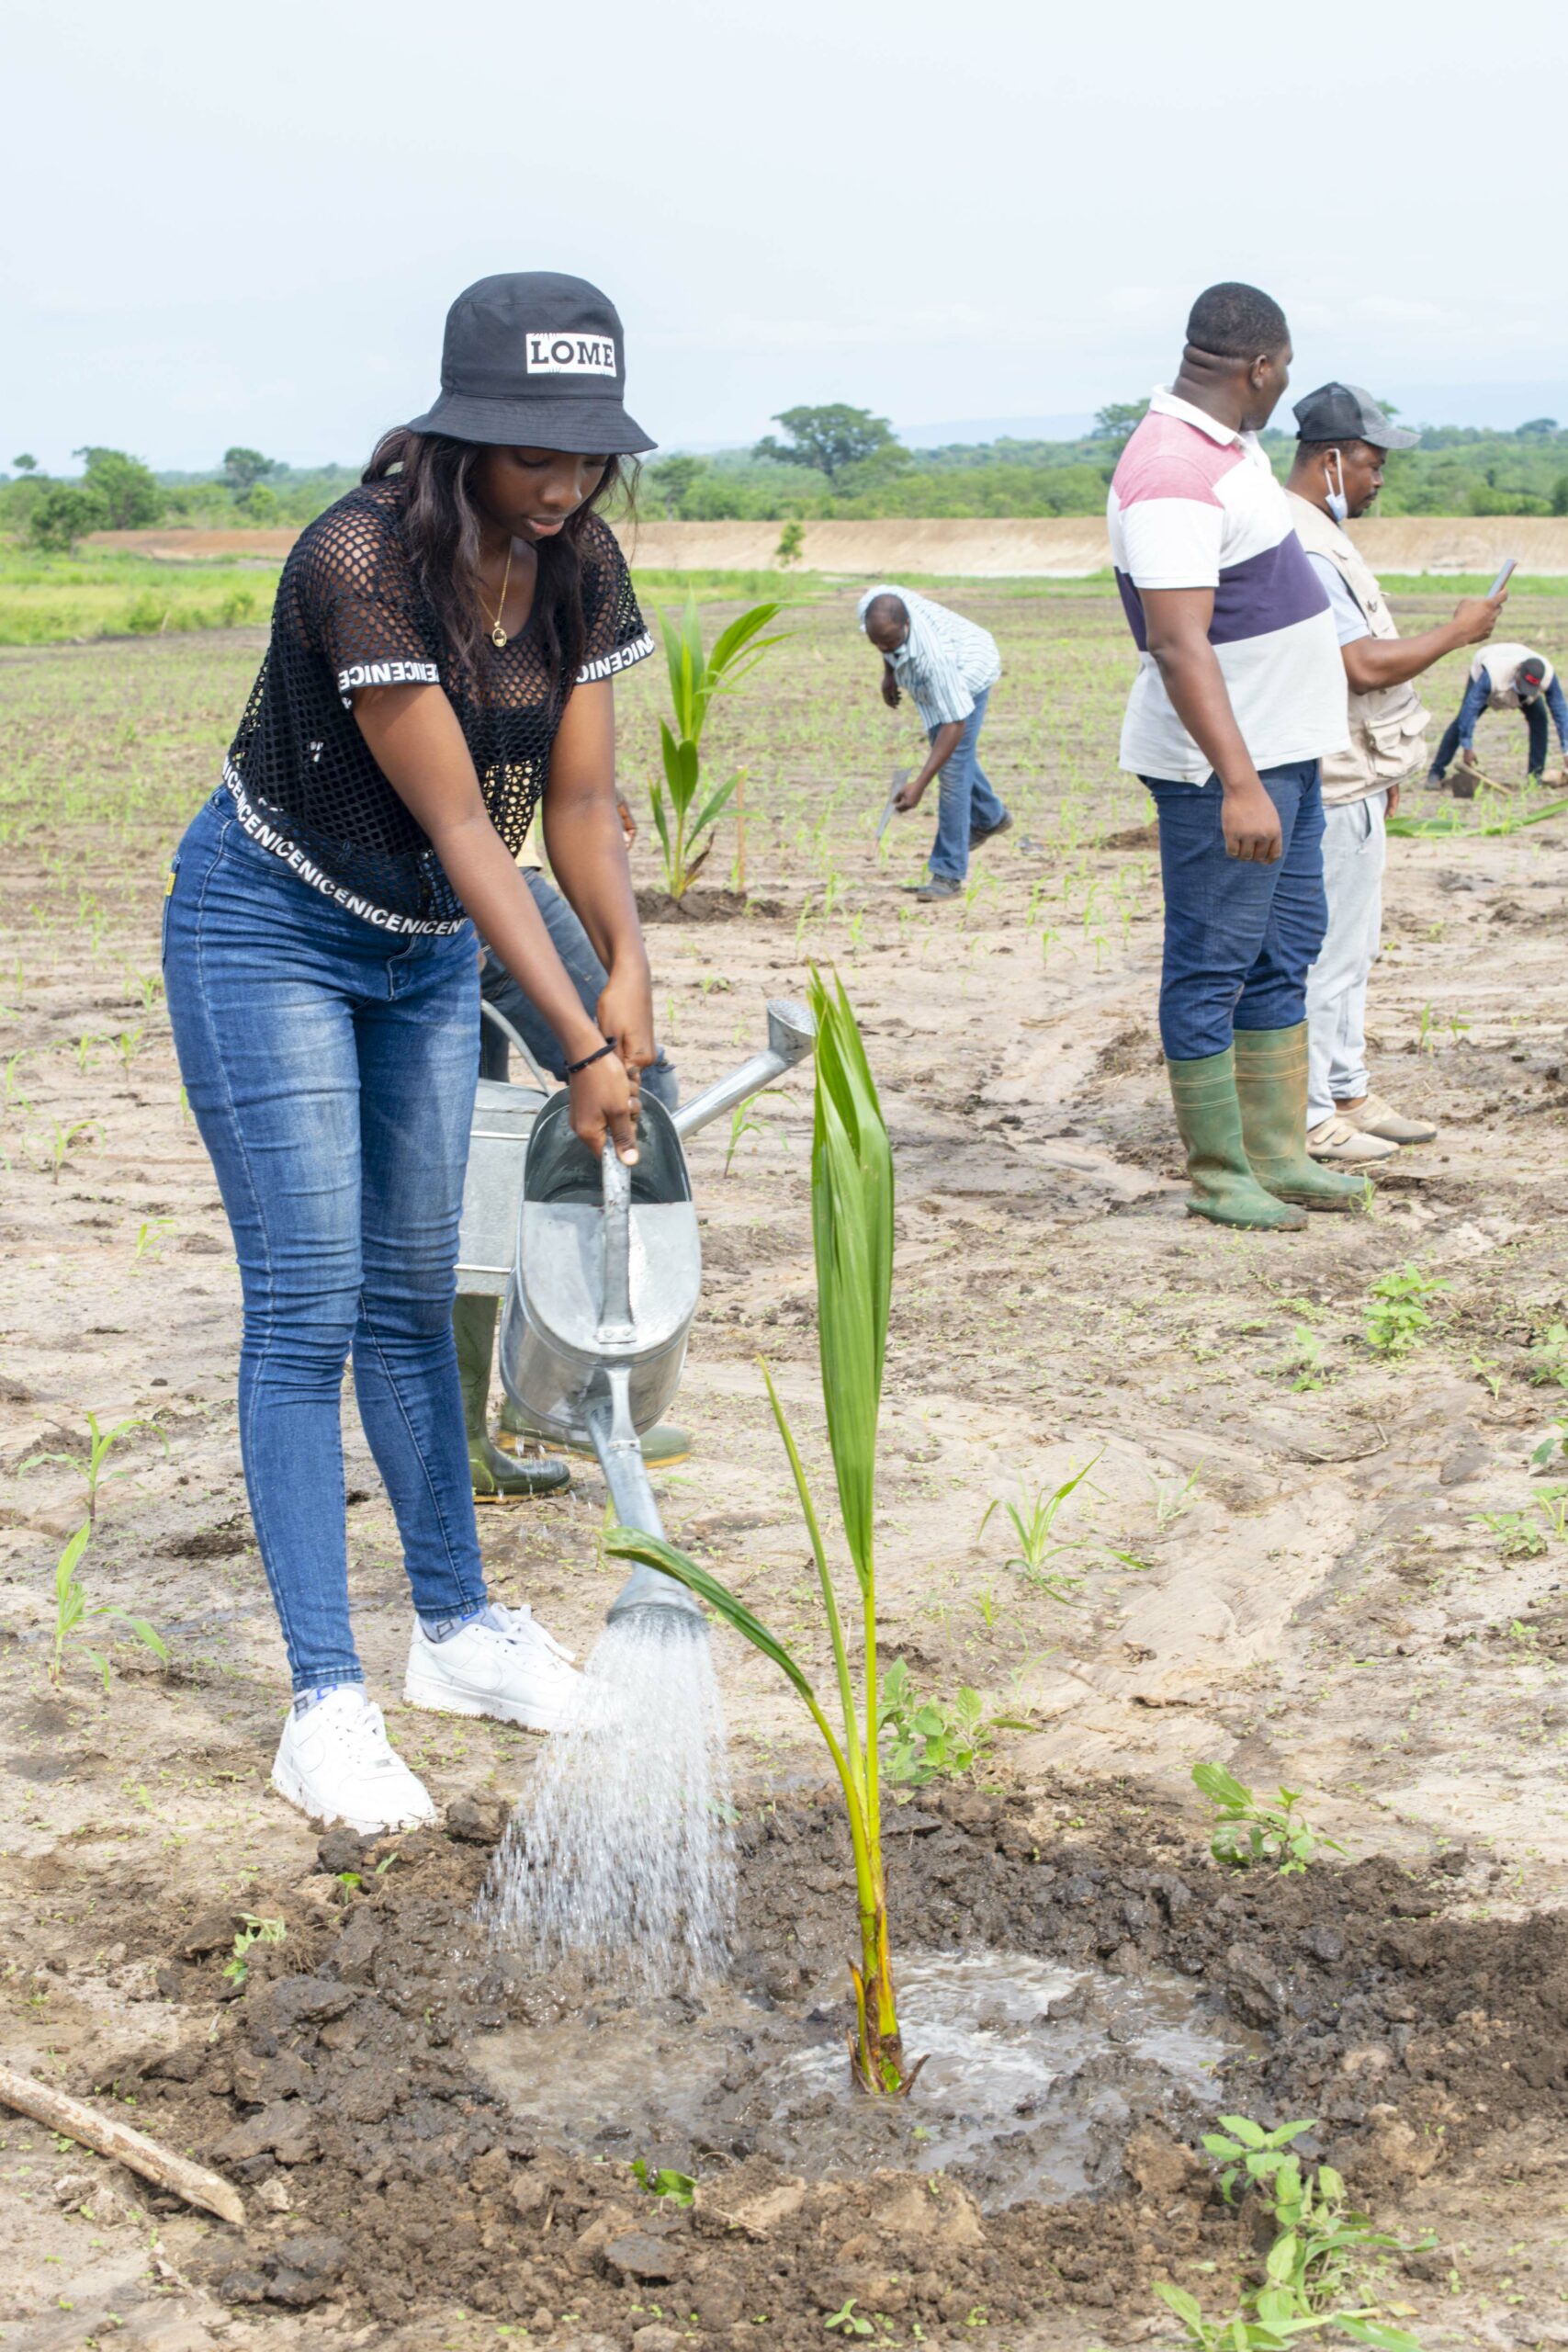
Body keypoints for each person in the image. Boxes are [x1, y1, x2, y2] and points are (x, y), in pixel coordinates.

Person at [163, 270, 661, 1835]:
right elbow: (460, 827)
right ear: (461, 434)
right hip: (274, 930)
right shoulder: (359, 559)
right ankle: (324, 1705)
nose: (562, 480)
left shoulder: (575, 562)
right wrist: (575, 1040)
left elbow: (570, 807)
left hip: (428, 952)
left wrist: (630, 964)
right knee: (306, 1303)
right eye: (532, 450)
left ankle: (453, 1632)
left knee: (409, 1292)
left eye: (584, 449)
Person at [1108, 281, 1363, 1232]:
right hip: (1225, 770)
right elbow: (1179, 642)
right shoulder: (1171, 470)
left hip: (1285, 755)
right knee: (1214, 960)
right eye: (1282, 370)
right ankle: (1221, 1171)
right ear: (1259, 368)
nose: (1281, 386)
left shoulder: (1231, 447)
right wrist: (1243, 782)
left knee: (1286, 946)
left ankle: (1278, 1150)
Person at [1284, 384, 1506, 1167]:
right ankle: (1310, 1112)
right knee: (1324, 954)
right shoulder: (1305, 543)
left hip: (1359, 772)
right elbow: (1360, 664)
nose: (1380, 480)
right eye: (1373, 464)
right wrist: (1457, 631)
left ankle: (1344, 1089)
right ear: (1331, 459)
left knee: (1354, 950)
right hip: (1332, 777)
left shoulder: (1321, 532)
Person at [457, 795, 688, 1498]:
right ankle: (565, 1391)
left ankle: (461, 1434)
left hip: (442, 870)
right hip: (485, 870)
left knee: (472, 1139)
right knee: (633, 1096)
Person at [857, 585, 1010, 900]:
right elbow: (886, 643)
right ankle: (991, 816)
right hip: (944, 669)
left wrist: (919, 785)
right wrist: (890, 673)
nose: (884, 646)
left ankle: (948, 874)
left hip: (969, 669)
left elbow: (955, 723)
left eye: (891, 641)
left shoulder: (934, 659)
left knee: (951, 767)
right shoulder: (872, 608)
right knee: (953, 758)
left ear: (907, 625)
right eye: (877, 642)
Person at [1427, 643, 1568, 789]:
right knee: (1461, 721)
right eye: (1523, 685)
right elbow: (1470, 710)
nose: (1524, 690)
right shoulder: (1492, 675)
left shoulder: (1547, 676)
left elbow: (1560, 712)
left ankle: (1535, 776)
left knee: (1540, 720)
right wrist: (1467, 747)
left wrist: (1566, 751)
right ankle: (1436, 772)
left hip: (1517, 672)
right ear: (1518, 671)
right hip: (1492, 678)